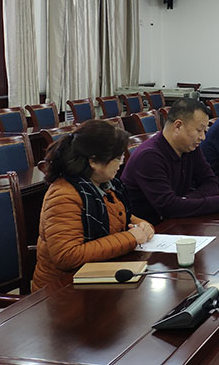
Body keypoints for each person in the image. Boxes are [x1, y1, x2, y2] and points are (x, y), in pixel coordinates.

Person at [32, 119, 155, 290]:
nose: (121, 162)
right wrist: (131, 238)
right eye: (117, 158)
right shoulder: (63, 195)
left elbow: (120, 217)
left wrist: (142, 225)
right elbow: (67, 256)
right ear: (94, 161)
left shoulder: (104, 185)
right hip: (61, 289)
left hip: (97, 276)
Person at [121, 98, 219, 225]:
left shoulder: (190, 148)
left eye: (205, 131)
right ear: (178, 126)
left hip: (179, 220)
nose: (203, 137)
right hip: (150, 228)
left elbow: (212, 182)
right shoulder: (149, 156)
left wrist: (184, 200)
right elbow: (168, 208)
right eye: (199, 130)